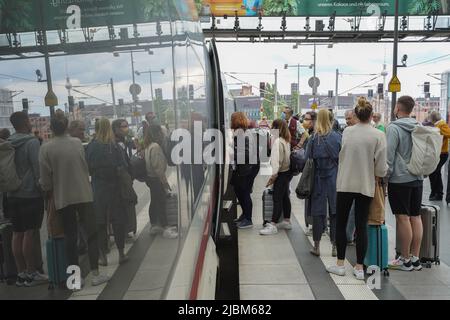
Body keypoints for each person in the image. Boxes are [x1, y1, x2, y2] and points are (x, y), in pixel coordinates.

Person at [39, 111, 110, 287]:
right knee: (91, 234)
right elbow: (84, 166)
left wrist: (48, 187)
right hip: (84, 194)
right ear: (66, 127)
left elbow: (46, 181)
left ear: (51, 128)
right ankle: (95, 274)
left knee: (70, 238)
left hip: (63, 198)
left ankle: (75, 280)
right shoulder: (77, 142)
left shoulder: (46, 148)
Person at [326, 97, 387, 280]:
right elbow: (382, 168)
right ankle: (359, 267)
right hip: (365, 184)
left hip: (345, 183)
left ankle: (340, 264)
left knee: (341, 222)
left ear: (357, 115)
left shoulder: (347, 132)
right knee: (361, 225)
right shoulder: (378, 135)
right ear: (371, 116)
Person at [6, 112, 47, 287]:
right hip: (29, 194)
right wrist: (44, 188)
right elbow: (38, 170)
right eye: (29, 120)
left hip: (12, 194)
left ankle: (21, 273)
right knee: (30, 233)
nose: (31, 123)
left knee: (17, 233)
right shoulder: (31, 142)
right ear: (24, 122)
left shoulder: (8, 143)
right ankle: (31, 273)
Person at [385, 96, 424, 271]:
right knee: (416, 216)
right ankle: (415, 258)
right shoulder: (418, 126)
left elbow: (389, 156)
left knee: (402, 217)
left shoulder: (394, 128)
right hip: (418, 177)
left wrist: (384, 177)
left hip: (400, 179)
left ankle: (405, 259)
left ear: (397, 109)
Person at [86, 118, 129, 265]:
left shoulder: (91, 147)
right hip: (115, 187)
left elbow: (88, 168)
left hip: (98, 188)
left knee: (100, 222)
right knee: (118, 221)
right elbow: (123, 165)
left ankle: (103, 256)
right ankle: (121, 253)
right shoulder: (114, 146)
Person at [304, 109, 341, 256]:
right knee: (335, 212)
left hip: (318, 178)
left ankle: (317, 247)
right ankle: (335, 246)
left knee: (318, 213)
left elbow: (307, 158)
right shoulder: (338, 137)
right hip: (334, 178)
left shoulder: (314, 138)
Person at [260, 119, 293, 235]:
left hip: (280, 174)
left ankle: (273, 224)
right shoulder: (286, 140)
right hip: (287, 173)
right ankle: (287, 221)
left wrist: (273, 177)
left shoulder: (278, 141)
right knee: (285, 197)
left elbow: (276, 162)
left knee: (277, 198)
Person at [144, 124, 177, 238]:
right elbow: (158, 168)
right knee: (161, 202)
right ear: (157, 134)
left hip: (151, 178)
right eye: (162, 133)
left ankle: (154, 225)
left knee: (154, 201)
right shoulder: (156, 147)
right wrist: (165, 183)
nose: (163, 135)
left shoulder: (148, 146)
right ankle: (165, 227)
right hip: (156, 179)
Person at [230, 112, 258, 229]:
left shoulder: (241, 134)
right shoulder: (242, 132)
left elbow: (245, 154)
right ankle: (244, 215)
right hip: (246, 167)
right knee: (239, 190)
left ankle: (248, 219)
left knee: (244, 192)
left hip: (247, 168)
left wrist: (230, 153)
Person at [112, 119, 137, 237]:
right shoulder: (115, 143)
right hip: (121, 180)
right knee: (125, 205)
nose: (126, 128)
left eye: (127, 126)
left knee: (128, 204)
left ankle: (127, 229)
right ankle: (124, 231)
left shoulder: (124, 141)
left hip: (127, 178)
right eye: (123, 126)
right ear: (116, 129)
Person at [427, 111, 450, 201]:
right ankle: (437, 193)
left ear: (432, 118)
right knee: (436, 172)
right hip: (439, 153)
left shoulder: (441, 124)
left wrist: (439, 132)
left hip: (442, 153)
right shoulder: (438, 125)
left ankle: (437, 193)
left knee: (434, 172)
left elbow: (448, 133)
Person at [0, 128, 11, 221]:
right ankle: (7, 215)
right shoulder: (9, 146)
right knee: (5, 195)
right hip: (6, 176)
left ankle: (4, 215)